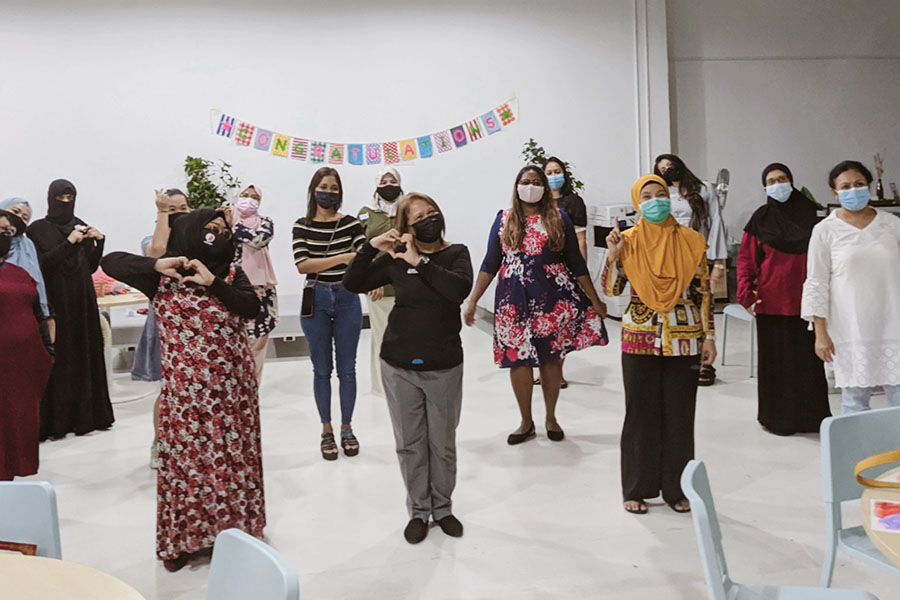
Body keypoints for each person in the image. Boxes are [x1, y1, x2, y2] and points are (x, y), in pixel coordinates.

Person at [101, 209, 265, 572]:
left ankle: (236, 535)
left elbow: (251, 307)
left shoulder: (232, 274)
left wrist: (214, 283)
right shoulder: (162, 280)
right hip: (186, 400)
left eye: (223, 231)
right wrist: (158, 264)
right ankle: (184, 541)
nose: (217, 235)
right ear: (190, 231)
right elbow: (109, 261)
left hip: (231, 397)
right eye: (209, 228)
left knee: (232, 465)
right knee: (189, 469)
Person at [344, 192, 473, 545]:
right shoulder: (394, 260)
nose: (429, 219)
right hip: (398, 364)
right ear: (406, 228)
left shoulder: (455, 253)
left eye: (433, 212)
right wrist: (372, 247)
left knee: (442, 444)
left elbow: (457, 290)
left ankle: (442, 508)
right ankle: (418, 511)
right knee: (410, 444)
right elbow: (353, 283)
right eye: (419, 218)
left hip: (444, 364)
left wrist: (421, 262)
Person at [464, 166, 608, 444]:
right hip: (512, 301)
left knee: (551, 359)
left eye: (536, 182)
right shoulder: (504, 220)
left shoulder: (559, 218)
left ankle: (551, 418)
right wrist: (473, 301)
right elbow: (490, 262)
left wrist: (595, 298)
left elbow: (576, 263)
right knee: (518, 360)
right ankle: (526, 421)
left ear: (544, 187)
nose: (530, 186)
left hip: (551, 298)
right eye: (525, 181)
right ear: (516, 186)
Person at [603, 174, 715, 515]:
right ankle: (636, 487)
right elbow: (610, 290)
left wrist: (709, 336)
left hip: (684, 338)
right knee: (640, 413)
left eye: (661, 194)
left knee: (680, 415)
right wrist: (613, 257)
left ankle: (677, 489)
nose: (655, 201)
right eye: (647, 196)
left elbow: (703, 293)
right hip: (640, 338)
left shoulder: (691, 241)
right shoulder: (628, 240)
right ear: (638, 203)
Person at [737, 163, 830, 435]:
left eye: (783, 178)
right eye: (772, 180)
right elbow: (745, 260)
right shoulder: (760, 218)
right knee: (776, 363)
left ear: (792, 181)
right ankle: (777, 418)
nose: (778, 184)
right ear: (765, 187)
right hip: (771, 303)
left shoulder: (813, 216)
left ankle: (811, 417)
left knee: (808, 364)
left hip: (807, 304)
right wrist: (747, 297)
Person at [802, 160, 900, 414]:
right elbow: (816, 283)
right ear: (835, 193)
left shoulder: (891, 225)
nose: (853, 190)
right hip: (850, 329)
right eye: (845, 186)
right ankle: (857, 455)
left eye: (859, 184)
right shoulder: (825, 230)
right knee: (854, 403)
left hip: (893, 324)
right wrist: (820, 333)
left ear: (869, 187)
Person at [27, 179, 113, 440]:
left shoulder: (79, 224)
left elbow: (88, 267)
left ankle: (88, 416)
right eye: (60, 197)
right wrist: (70, 242)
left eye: (70, 197)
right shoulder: (37, 230)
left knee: (85, 351)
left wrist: (99, 242)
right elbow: (41, 265)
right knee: (60, 356)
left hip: (82, 301)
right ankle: (58, 421)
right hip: (56, 301)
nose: (65, 202)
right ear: (50, 198)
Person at [293, 167, 366, 460]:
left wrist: (352, 259)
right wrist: (345, 257)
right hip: (316, 298)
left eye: (334, 188)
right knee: (321, 370)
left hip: (347, 296)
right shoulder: (301, 225)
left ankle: (347, 427)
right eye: (324, 187)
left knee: (347, 370)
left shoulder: (350, 224)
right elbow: (302, 265)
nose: (329, 192)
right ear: (313, 190)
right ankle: (326, 430)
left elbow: (363, 256)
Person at [654, 154, 727, 386]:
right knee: (676, 310)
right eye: (662, 168)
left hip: (698, 257)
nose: (668, 170)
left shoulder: (703, 188)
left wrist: (718, 262)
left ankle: (705, 362)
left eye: (670, 165)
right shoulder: (661, 195)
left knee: (703, 308)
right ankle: (681, 357)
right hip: (669, 260)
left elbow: (716, 221)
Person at [133, 189, 191, 470]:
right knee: (168, 390)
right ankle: (160, 442)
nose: (179, 213)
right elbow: (154, 254)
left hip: (197, 326)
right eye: (172, 209)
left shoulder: (199, 242)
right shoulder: (153, 240)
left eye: (184, 207)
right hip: (165, 325)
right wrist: (162, 213)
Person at [0, 213, 54, 480]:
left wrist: (47, 350)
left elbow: (40, 313)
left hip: (24, 365)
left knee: (20, 422)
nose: (4, 236)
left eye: (7, 231)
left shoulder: (20, 273)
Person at [357, 167, 403, 396]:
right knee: (381, 335)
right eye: (383, 181)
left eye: (392, 180)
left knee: (406, 335)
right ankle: (384, 387)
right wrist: (370, 281)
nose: (388, 184)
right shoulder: (366, 213)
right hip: (378, 288)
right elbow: (360, 251)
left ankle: (405, 384)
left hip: (407, 284)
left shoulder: (409, 208)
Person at [543, 156, 588, 390]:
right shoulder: (536, 204)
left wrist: (579, 272)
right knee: (542, 323)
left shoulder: (573, 202)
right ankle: (544, 369)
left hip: (565, 270)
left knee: (561, 322)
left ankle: (557, 371)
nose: (553, 176)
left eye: (557, 171)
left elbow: (581, 239)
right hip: (541, 271)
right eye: (549, 172)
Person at [232, 183, 278, 382]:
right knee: (234, 339)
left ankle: (253, 386)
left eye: (254, 197)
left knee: (259, 340)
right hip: (233, 285)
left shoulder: (266, 222)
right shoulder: (221, 219)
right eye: (245, 195)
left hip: (261, 288)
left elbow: (260, 239)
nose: (249, 199)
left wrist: (234, 227)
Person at [0, 198, 52, 322]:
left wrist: (45, 317)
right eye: (15, 211)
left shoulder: (28, 246)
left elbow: (38, 286)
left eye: (25, 218)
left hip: (25, 317)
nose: (18, 217)